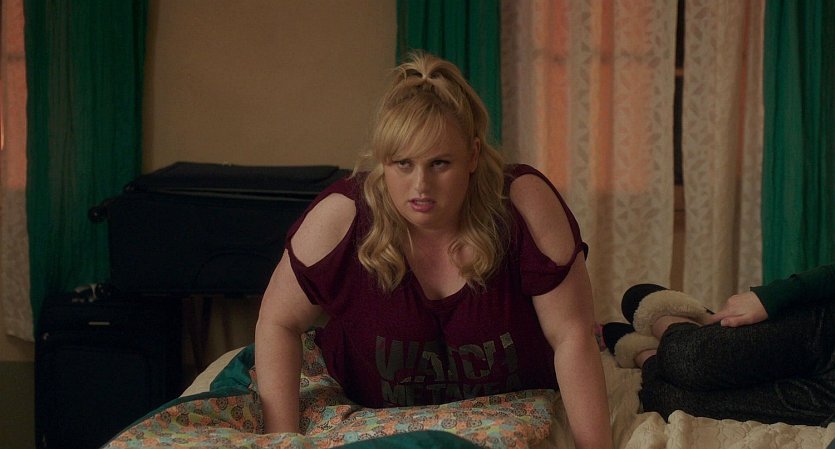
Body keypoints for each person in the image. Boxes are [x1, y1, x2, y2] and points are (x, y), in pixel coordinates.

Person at [254, 52, 613, 449]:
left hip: (514, 416)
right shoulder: (341, 215)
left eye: (440, 163)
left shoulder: (525, 202)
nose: (420, 185)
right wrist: (280, 441)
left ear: (473, 155)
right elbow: (278, 320)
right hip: (373, 418)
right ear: (383, 162)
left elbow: (572, 334)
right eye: (403, 164)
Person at [603, 263, 835, 426]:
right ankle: (677, 320)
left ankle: (647, 353)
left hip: (828, 401)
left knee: (670, 403)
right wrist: (773, 296)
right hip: (826, 334)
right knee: (687, 358)